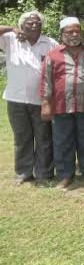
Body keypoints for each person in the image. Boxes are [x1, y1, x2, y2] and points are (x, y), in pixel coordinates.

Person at [40, 18, 84, 190]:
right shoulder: (53, 54)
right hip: (61, 105)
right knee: (62, 141)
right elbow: (46, 80)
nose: (74, 34)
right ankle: (65, 176)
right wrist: (46, 103)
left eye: (77, 31)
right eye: (70, 32)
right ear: (62, 34)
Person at [0, 11, 57, 185]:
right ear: (22, 26)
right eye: (29, 23)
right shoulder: (10, 40)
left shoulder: (50, 43)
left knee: (44, 137)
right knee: (22, 137)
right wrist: (12, 28)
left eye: (37, 23)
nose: (34, 25)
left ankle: (44, 173)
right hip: (16, 98)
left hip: (41, 100)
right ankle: (23, 173)